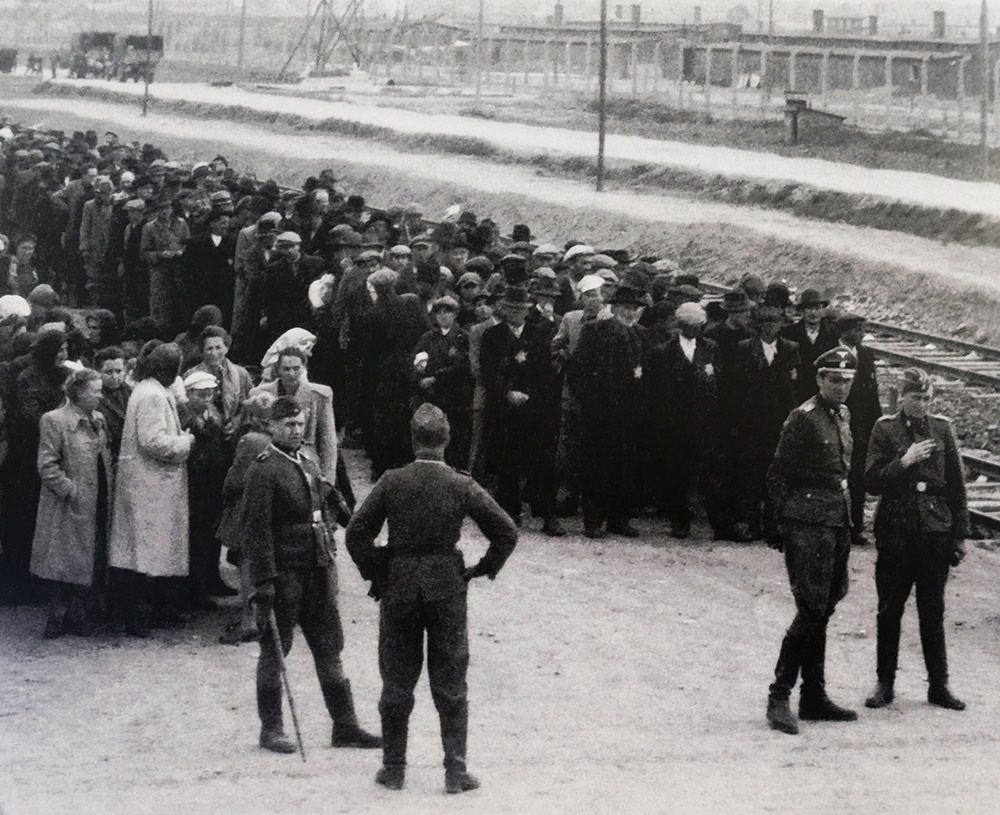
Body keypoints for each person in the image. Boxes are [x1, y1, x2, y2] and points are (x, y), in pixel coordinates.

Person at [345, 403, 518, 794]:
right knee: (451, 681)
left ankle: (393, 768)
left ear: (412, 438)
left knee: (396, 679)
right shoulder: (461, 484)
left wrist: (378, 570)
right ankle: (455, 771)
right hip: (446, 587)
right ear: (448, 438)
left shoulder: (392, 481)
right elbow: (506, 531)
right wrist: (483, 568)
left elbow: (356, 534)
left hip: (400, 585)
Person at [242, 396, 381, 754]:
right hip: (285, 573)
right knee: (275, 650)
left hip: (318, 569)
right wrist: (264, 582)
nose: (296, 430)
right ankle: (271, 729)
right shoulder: (263, 469)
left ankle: (345, 726)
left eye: (300, 424)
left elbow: (326, 502)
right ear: (271, 427)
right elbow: (256, 532)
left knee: (329, 647)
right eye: (288, 424)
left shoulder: (310, 460)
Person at [764, 346, 860, 736]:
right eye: (833, 379)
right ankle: (779, 695)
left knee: (827, 602)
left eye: (847, 381)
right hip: (806, 520)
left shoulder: (843, 415)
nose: (841, 387)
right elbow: (778, 473)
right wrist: (782, 524)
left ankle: (814, 695)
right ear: (819, 380)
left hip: (836, 518)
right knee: (811, 606)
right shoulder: (802, 418)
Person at [864, 368, 968, 712]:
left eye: (926, 398)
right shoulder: (885, 428)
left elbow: (956, 485)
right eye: (914, 397)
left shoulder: (943, 428)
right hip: (897, 531)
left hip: (935, 532)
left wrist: (959, 535)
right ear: (901, 397)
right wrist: (904, 461)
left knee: (932, 611)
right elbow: (872, 482)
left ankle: (939, 685)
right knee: (889, 609)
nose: (920, 404)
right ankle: (885, 683)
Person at [107, 343, 193, 636]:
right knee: (145, 551)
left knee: (147, 549)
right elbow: (153, 440)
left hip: (151, 482)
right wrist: (185, 443)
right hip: (150, 484)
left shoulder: (150, 389)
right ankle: (139, 617)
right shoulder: (152, 395)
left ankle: (153, 610)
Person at [29, 368, 112, 638]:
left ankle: (78, 613)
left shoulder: (99, 419)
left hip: (97, 498)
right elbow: (47, 464)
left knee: (90, 556)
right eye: (95, 390)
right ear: (78, 392)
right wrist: (70, 490)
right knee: (64, 561)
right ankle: (57, 615)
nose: (100, 395)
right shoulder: (54, 420)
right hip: (68, 506)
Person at [570, 285, 648, 538]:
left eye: (635, 309)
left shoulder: (642, 335)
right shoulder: (595, 331)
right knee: (597, 466)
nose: (631, 313)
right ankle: (594, 520)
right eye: (626, 308)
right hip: (599, 413)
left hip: (630, 414)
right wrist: (589, 402)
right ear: (614, 308)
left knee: (625, 467)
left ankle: (619, 519)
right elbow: (578, 370)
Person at [217, 391, 275, 645]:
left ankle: (248, 620)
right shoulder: (276, 440)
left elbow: (235, 479)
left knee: (246, 564)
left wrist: (224, 492)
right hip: (270, 510)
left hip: (246, 509)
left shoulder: (250, 440)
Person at [180, 369, 232, 605]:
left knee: (212, 534)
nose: (206, 399)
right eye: (201, 394)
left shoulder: (214, 412)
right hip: (195, 483)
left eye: (210, 394)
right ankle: (195, 586)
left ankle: (212, 577)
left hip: (214, 481)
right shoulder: (185, 415)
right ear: (190, 394)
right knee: (197, 536)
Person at [838, 312, 881, 546]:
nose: (861, 334)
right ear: (844, 331)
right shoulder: (832, 352)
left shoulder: (866, 355)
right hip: (839, 421)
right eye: (857, 329)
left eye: (863, 329)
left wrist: (877, 424)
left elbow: (872, 393)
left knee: (858, 478)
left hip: (862, 427)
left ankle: (855, 527)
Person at [94, 345, 131, 463]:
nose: (115, 377)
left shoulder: (131, 392)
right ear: (97, 372)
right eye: (108, 372)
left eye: (119, 371)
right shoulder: (93, 396)